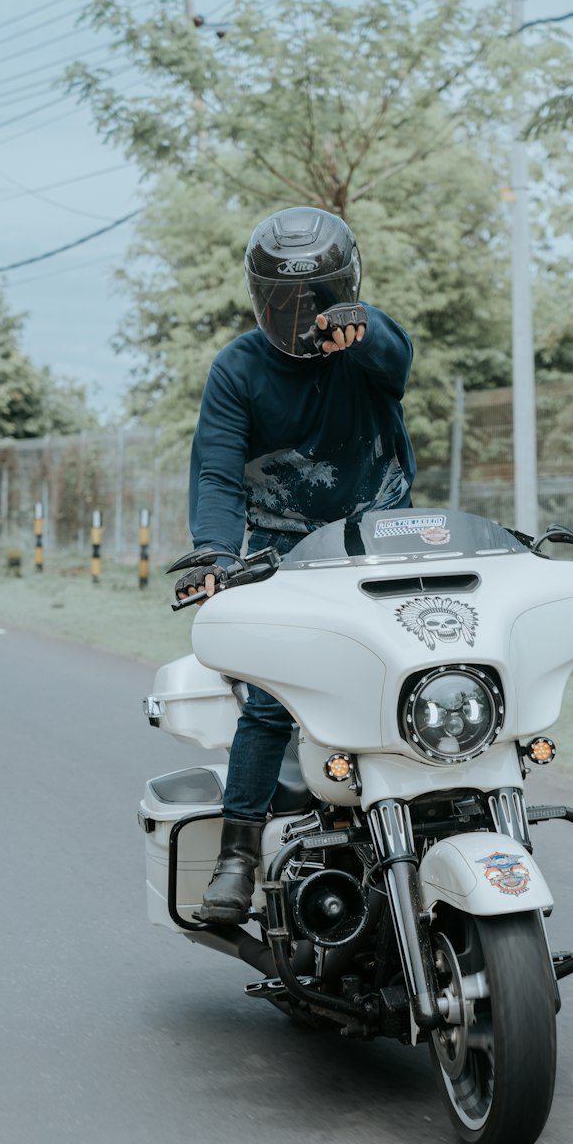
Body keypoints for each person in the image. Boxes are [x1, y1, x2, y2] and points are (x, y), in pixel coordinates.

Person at [175, 205, 416, 924]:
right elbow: (218, 475)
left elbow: (398, 360)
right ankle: (238, 853)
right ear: (258, 297)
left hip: (385, 541)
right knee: (273, 693)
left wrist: (356, 329)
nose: (297, 315)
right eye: (281, 300)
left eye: (311, 297)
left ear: (346, 285)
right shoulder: (238, 370)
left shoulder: (370, 346)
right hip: (286, 556)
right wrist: (217, 555)